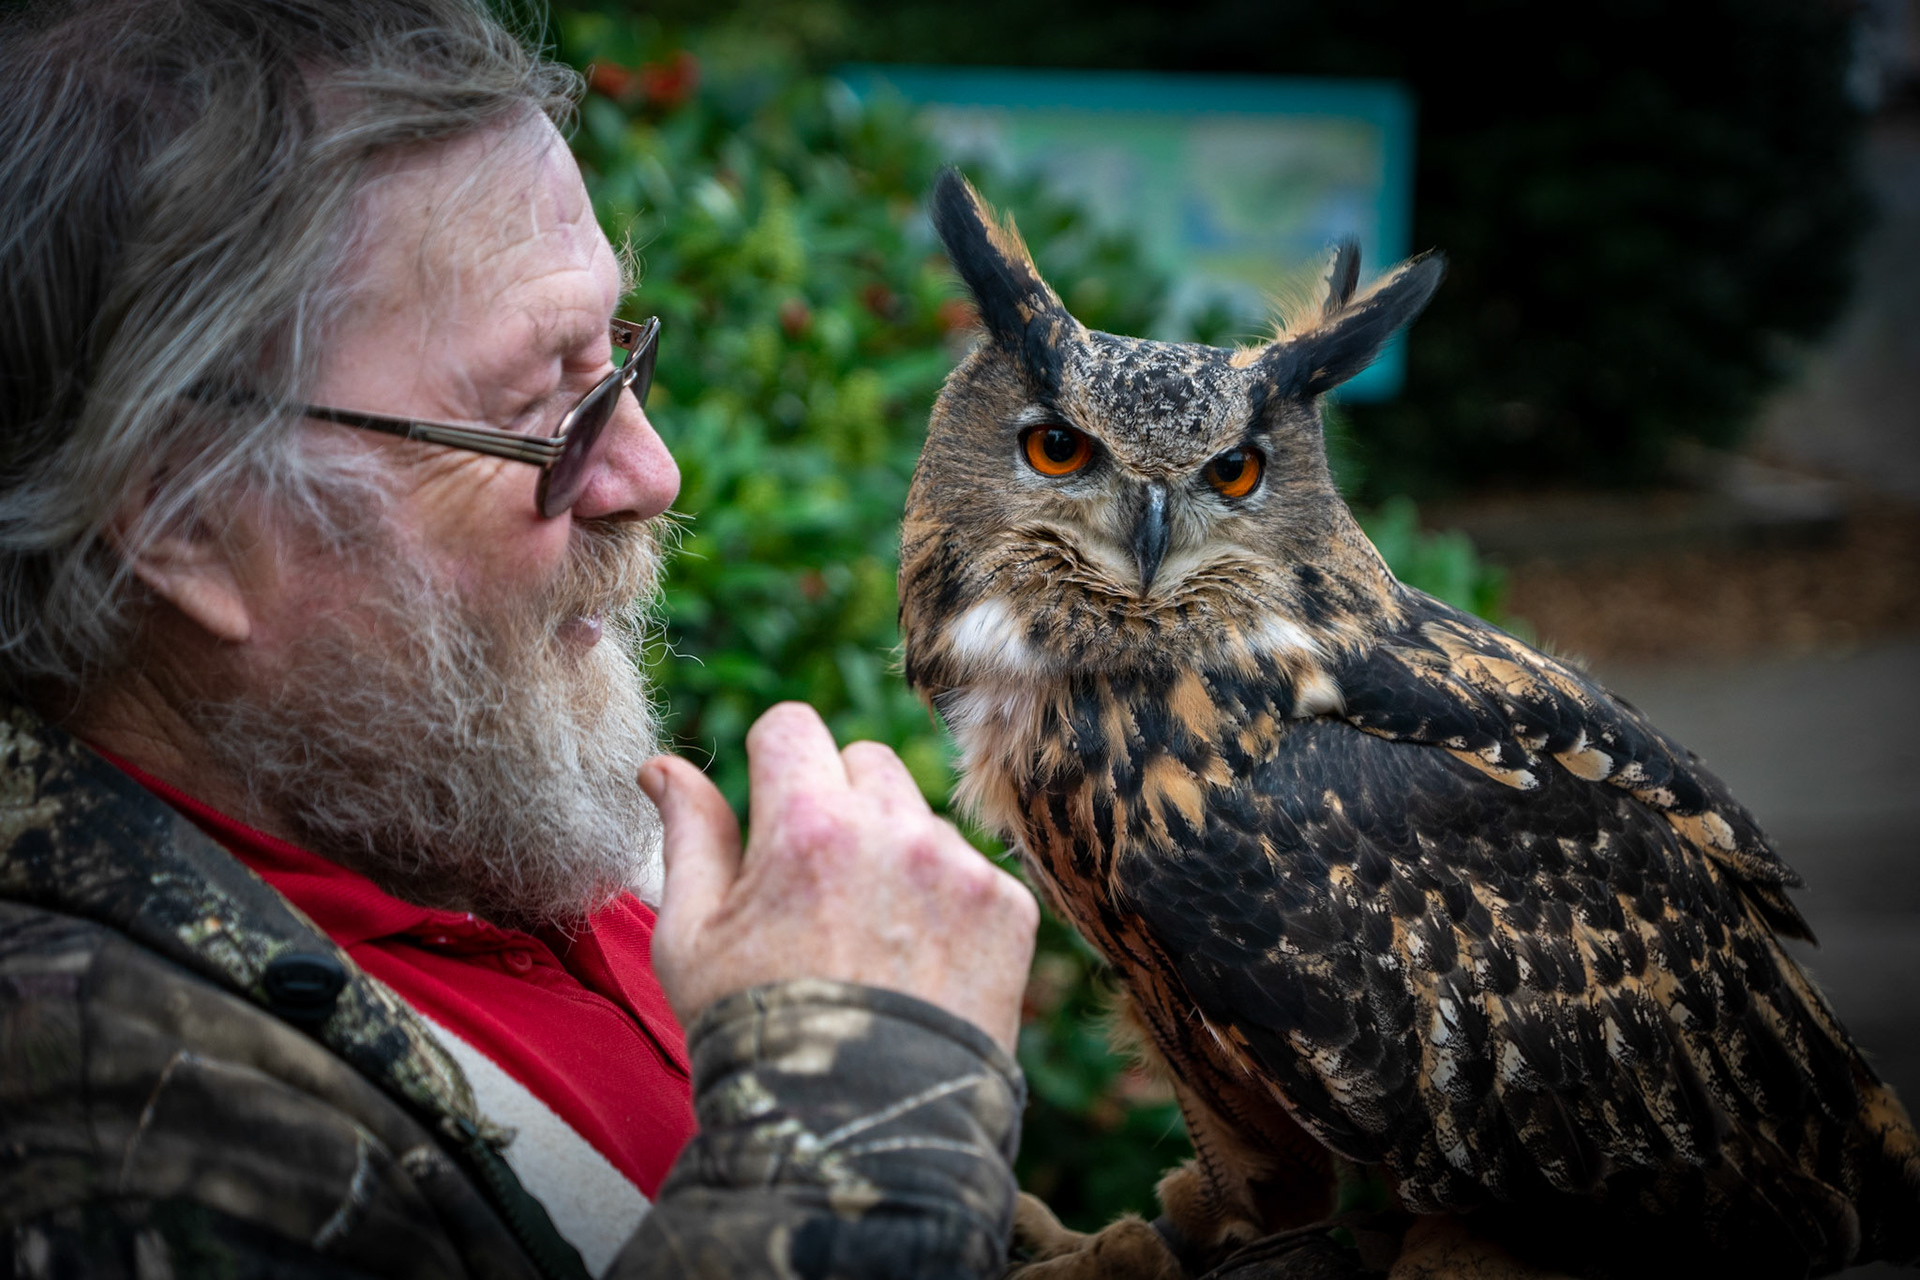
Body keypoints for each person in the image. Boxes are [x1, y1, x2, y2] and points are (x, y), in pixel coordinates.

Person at [0, 1, 1039, 1276]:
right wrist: (869, 1104)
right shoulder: (100, 1110)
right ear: (186, 517)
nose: (649, 472)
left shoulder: (453, 809)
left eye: (620, 365)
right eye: (549, 412)